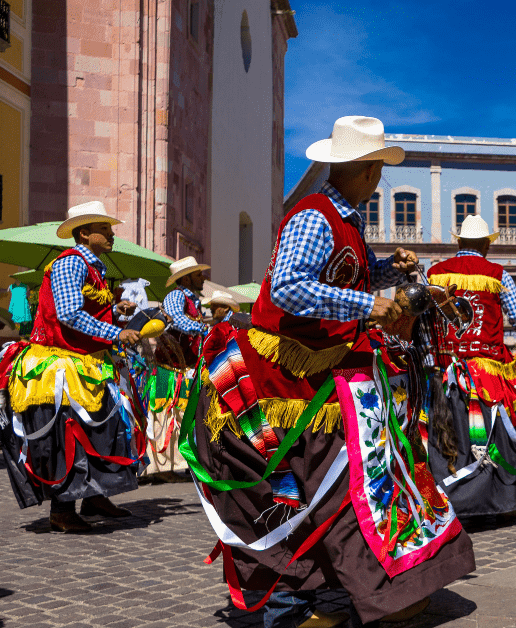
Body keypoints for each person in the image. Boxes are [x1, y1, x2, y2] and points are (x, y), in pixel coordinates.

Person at [183, 116, 474, 628]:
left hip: (316, 375)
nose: (379, 180)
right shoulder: (314, 216)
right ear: (362, 170)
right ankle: (295, 603)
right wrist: (369, 304)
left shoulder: (347, 221)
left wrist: (388, 270)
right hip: (277, 382)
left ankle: (353, 590)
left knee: (335, 481)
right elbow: (289, 289)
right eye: (377, 170)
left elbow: (338, 276)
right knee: (302, 486)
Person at [0, 201, 142, 532]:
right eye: (104, 229)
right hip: (60, 364)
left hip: (87, 362)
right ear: (83, 233)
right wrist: (117, 331)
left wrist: (116, 309)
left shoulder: (96, 269)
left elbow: (86, 310)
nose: (112, 235)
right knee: (71, 433)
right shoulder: (70, 264)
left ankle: (95, 497)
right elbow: (69, 315)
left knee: (105, 431)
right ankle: (62, 510)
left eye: (110, 229)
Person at [425, 214, 516, 518]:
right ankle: (497, 500)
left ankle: (446, 497)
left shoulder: (434, 274)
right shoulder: (497, 274)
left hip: (444, 371)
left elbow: (425, 320)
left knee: (446, 433)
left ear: (458, 241)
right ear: (486, 245)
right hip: (486, 374)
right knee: (496, 433)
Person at [145, 256, 211, 481]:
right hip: (168, 370)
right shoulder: (176, 296)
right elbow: (176, 319)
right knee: (164, 414)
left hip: (184, 370)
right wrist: (204, 328)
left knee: (183, 415)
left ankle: (177, 464)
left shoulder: (194, 301)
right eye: (198, 274)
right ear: (186, 278)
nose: (202, 278)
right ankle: (162, 468)